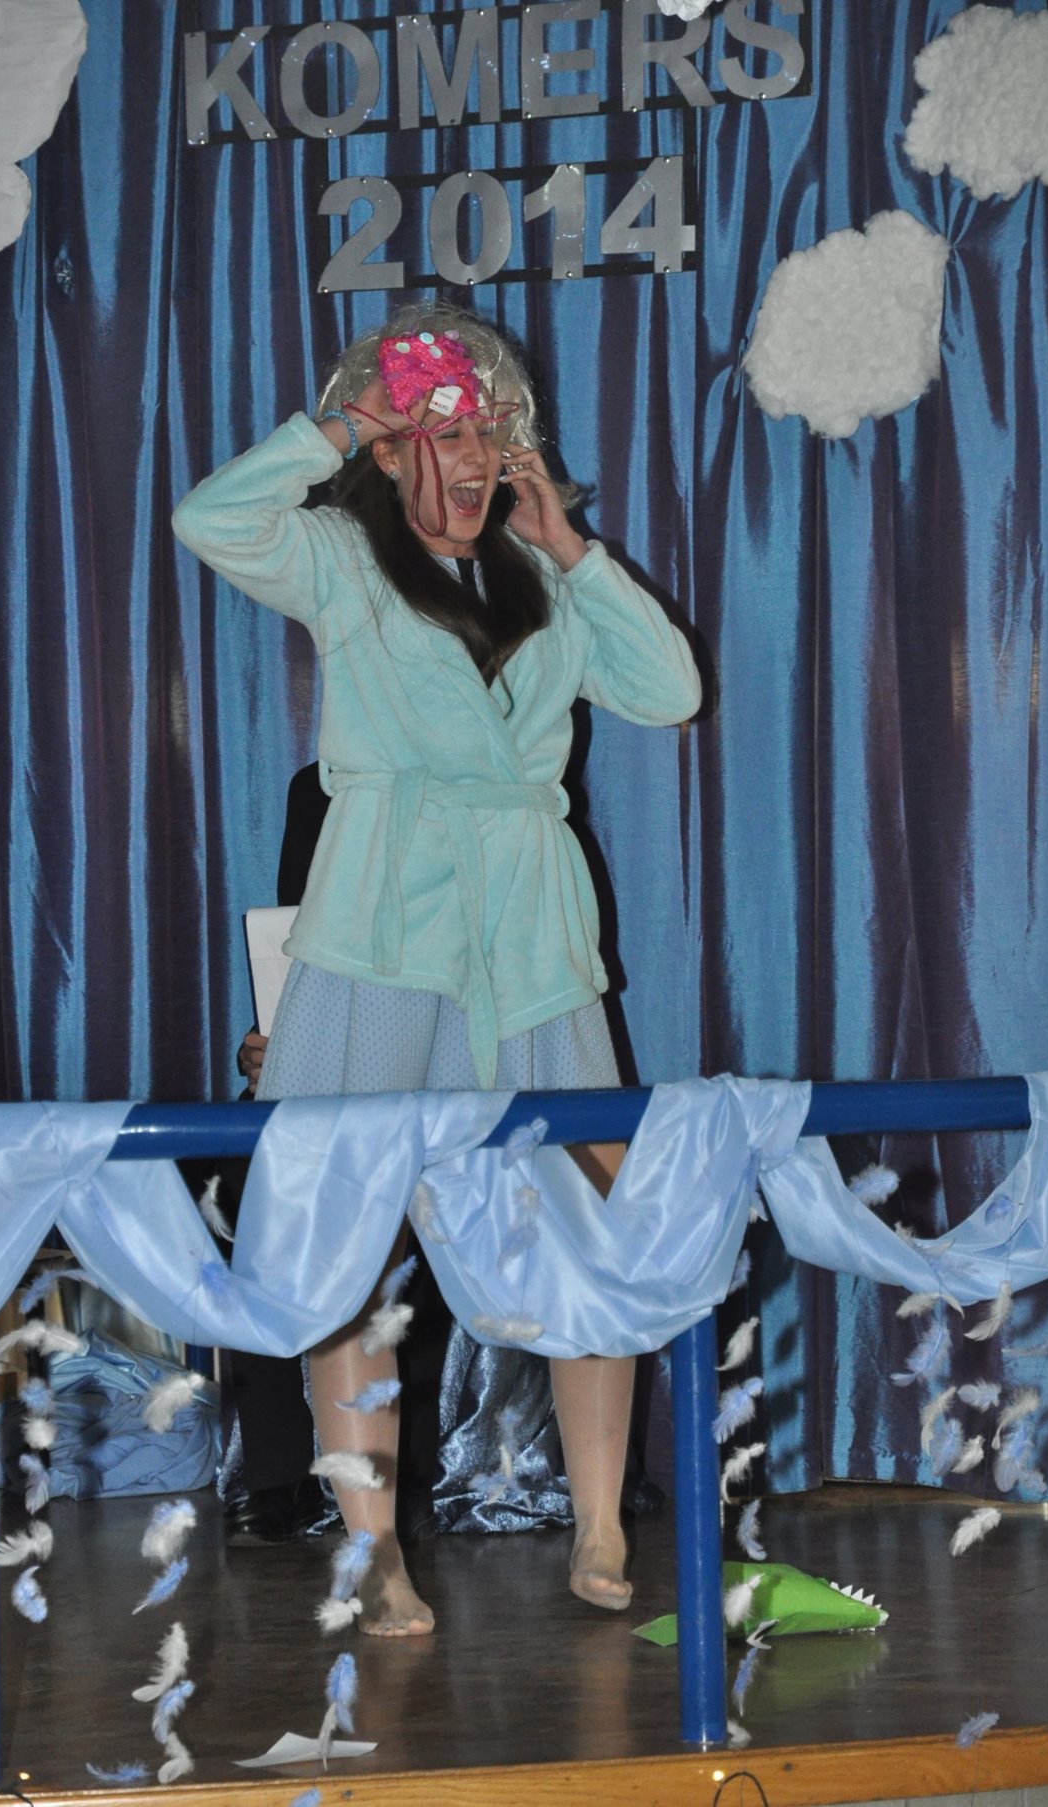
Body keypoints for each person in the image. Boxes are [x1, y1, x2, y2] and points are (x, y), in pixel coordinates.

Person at [172, 304, 701, 1635]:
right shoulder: (345, 560)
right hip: (379, 929)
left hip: (529, 937)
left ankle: (598, 1524)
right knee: (344, 1244)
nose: (470, 459)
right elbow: (211, 521)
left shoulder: (544, 580)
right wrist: (334, 425)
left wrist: (572, 549)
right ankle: (375, 1553)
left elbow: (670, 691)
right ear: (391, 447)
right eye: (441, 433)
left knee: (596, 1222)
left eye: (488, 435)